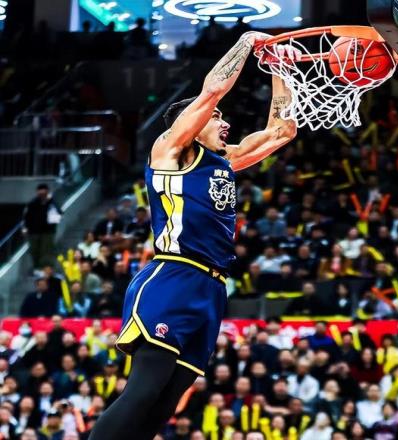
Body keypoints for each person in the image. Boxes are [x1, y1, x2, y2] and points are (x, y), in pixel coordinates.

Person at [90, 32, 298, 440]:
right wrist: (248, 43)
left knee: (165, 402)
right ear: (195, 122)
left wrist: (279, 67)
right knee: (144, 389)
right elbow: (212, 90)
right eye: (218, 117)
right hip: (174, 275)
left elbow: (282, 132)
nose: (225, 122)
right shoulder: (171, 150)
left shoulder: (224, 160)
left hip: (212, 288)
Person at [23, 183, 62, 269]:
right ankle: (36, 267)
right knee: (34, 251)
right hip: (34, 232)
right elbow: (26, 217)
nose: (42, 194)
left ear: (47, 192)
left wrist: (50, 201)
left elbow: (59, 213)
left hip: (48, 232)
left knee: (46, 251)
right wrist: (25, 228)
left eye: (44, 192)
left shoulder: (52, 203)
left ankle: (46, 269)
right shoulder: (32, 203)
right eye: (40, 192)